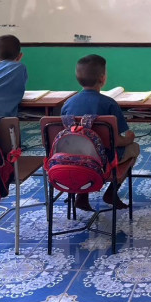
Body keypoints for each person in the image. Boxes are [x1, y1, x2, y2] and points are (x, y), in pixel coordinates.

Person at [61, 54, 139, 211]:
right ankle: (111, 192)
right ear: (103, 79)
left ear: (78, 78)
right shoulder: (109, 104)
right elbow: (116, 141)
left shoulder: (68, 104)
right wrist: (129, 139)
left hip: (72, 158)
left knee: (84, 148)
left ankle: (82, 195)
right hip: (103, 160)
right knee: (134, 148)